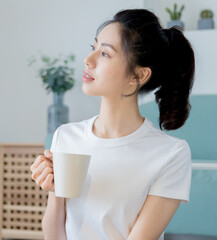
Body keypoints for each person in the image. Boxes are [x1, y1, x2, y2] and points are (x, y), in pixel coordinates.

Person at [31, 8, 195, 240]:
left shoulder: (171, 154)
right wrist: (55, 188)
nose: (88, 60)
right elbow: (54, 235)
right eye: (93, 48)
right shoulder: (66, 137)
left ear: (136, 76)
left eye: (105, 54)